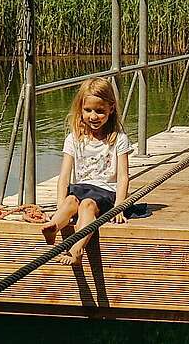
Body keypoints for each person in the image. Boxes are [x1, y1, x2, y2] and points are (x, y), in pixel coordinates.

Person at [40, 77, 133, 265]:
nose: (93, 116)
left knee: (87, 205)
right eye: (88, 110)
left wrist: (119, 207)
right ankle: (53, 226)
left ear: (111, 109)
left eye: (100, 111)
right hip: (81, 188)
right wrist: (59, 203)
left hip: (106, 192)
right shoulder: (74, 138)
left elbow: (123, 176)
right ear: (80, 109)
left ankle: (76, 250)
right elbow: (64, 176)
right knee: (70, 201)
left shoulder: (118, 139)